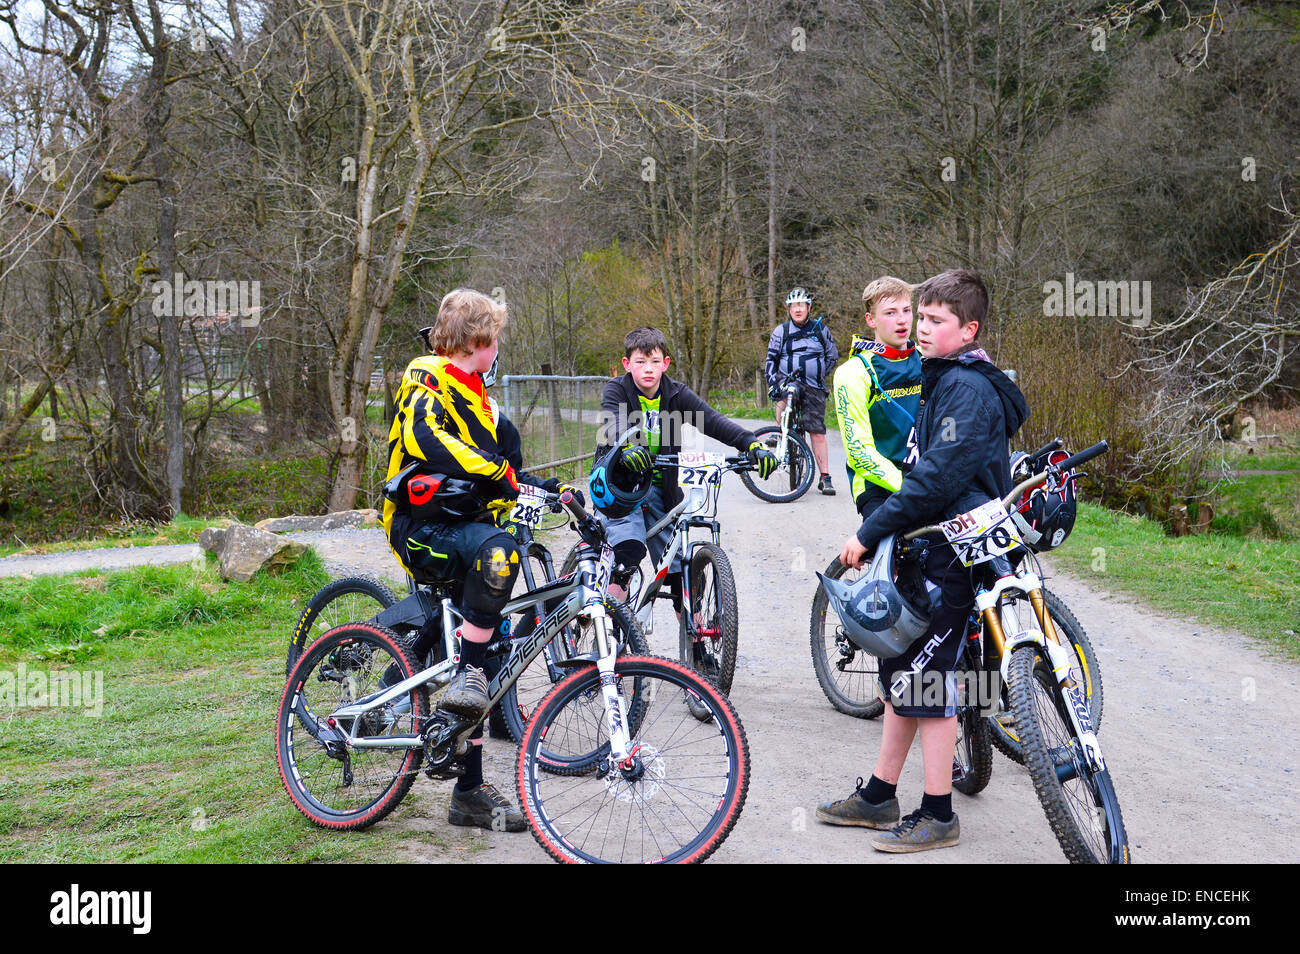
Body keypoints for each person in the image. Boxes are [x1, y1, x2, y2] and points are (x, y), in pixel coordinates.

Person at [815, 269, 1029, 852]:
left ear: (969, 329)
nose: (920, 327)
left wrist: (873, 529)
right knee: (902, 671)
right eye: (918, 315)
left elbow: (935, 479)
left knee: (925, 680)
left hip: (955, 548)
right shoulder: (943, 377)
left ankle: (938, 813)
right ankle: (880, 796)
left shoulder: (966, 388)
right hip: (933, 540)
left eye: (934, 320)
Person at [384, 289, 578, 833]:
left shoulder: (482, 400)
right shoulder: (425, 379)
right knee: (499, 554)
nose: (498, 353)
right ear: (477, 341)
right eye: (494, 342)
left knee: (489, 655)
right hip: (420, 526)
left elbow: (503, 468)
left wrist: (553, 491)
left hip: (463, 523)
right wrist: (499, 476)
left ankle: (467, 791)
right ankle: (462, 672)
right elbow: (431, 441)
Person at [594, 327, 777, 610]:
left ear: (666, 363)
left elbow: (713, 421)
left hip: (662, 493)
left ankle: (695, 643)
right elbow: (613, 422)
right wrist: (626, 445)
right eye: (640, 362)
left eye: (655, 361)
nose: (648, 369)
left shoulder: (676, 394)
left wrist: (749, 443)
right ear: (626, 364)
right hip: (621, 489)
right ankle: (606, 624)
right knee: (626, 553)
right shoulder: (617, 389)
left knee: (684, 573)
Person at [833, 276, 922, 521]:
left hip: (929, 479)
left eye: (906, 310)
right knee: (897, 549)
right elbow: (859, 451)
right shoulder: (853, 373)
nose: (902, 319)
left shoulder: (927, 358)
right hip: (877, 486)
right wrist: (913, 488)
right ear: (870, 320)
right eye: (890, 313)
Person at [765, 287, 840, 494]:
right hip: (789, 379)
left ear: (808, 308)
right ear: (789, 309)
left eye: (801, 305)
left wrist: (819, 372)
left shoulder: (820, 330)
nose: (797, 310)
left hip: (814, 385)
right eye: (793, 306)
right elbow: (771, 359)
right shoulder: (782, 331)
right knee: (786, 392)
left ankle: (825, 477)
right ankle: (782, 434)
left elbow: (832, 355)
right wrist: (772, 383)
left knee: (816, 431)